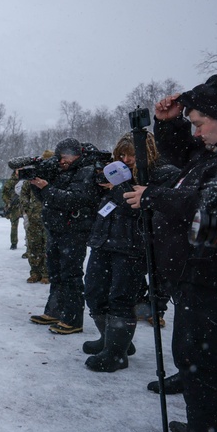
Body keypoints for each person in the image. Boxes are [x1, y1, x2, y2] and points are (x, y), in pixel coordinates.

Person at [123, 73, 217, 432]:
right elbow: (187, 164)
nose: (196, 130)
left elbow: (208, 209)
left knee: (206, 367)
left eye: (201, 121)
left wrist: (153, 196)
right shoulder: (213, 154)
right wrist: (169, 124)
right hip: (201, 280)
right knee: (202, 365)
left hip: (214, 284)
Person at [82, 132, 175, 372]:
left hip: (132, 247)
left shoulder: (160, 174)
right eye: (121, 154)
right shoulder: (115, 172)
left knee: (121, 299)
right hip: (103, 241)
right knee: (94, 292)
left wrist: (118, 186)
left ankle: (116, 354)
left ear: (147, 152)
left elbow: (139, 208)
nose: (126, 159)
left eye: (131, 154)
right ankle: (112, 341)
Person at [28, 138, 102, 334]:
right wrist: (37, 184)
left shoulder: (86, 170)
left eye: (66, 157)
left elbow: (75, 199)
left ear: (77, 155)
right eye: (60, 157)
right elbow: (47, 198)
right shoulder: (63, 171)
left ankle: (73, 318)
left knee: (71, 274)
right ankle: (55, 310)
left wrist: (46, 188)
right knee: (56, 272)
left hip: (74, 230)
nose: (62, 161)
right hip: (57, 228)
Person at [20, 151, 52, 283]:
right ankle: (35, 272)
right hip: (33, 218)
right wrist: (27, 209)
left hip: (49, 219)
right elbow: (24, 194)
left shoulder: (54, 177)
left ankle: (46, 273)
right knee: (34, 246)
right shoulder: (33, 177)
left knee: (47, 247)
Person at [2, 170, 22, 250]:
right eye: (18, 169)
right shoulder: (11, 181)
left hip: (26, 205)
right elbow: (4, 193)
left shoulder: (26, 180)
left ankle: (30, 247)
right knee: (14, 225)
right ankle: (14, 243)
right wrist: (8, 202)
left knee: (30, 226)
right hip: (14, 206)